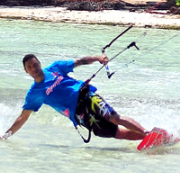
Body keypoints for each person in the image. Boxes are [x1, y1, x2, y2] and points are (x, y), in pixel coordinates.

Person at [2, 53, 152, 142]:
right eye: (29, 67)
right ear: (26, 71)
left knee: (114, 118)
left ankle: (147, 132)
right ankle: (150, 139)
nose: (33, 68)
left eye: (35, 64)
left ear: (39, 63)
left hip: (87, 97)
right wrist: (5, 136)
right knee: (115, 133)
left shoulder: (55, 68)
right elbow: (23, 117)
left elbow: (80, 61)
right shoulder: (34, 93)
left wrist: (97, 58)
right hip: (78, 114)